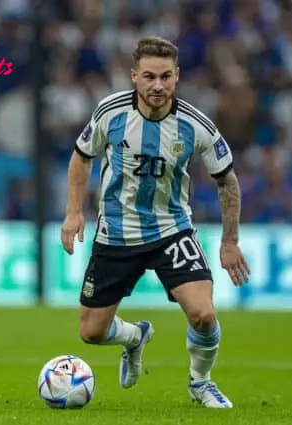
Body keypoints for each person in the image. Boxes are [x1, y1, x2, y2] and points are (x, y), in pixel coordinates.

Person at [60, 36, 250, 408]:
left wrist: (230, 241)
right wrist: (72, 212)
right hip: (116, 232)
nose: (158, 85)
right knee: (91, 333)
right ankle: (134, 336)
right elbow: (81, 157)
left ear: (177, 77)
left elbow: (227, 180)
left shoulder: (196, 126)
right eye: (149, 76)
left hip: (171, 230)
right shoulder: (110, 113)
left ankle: (201, 383)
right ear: (134, 76)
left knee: (204, 314)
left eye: (165, 76)